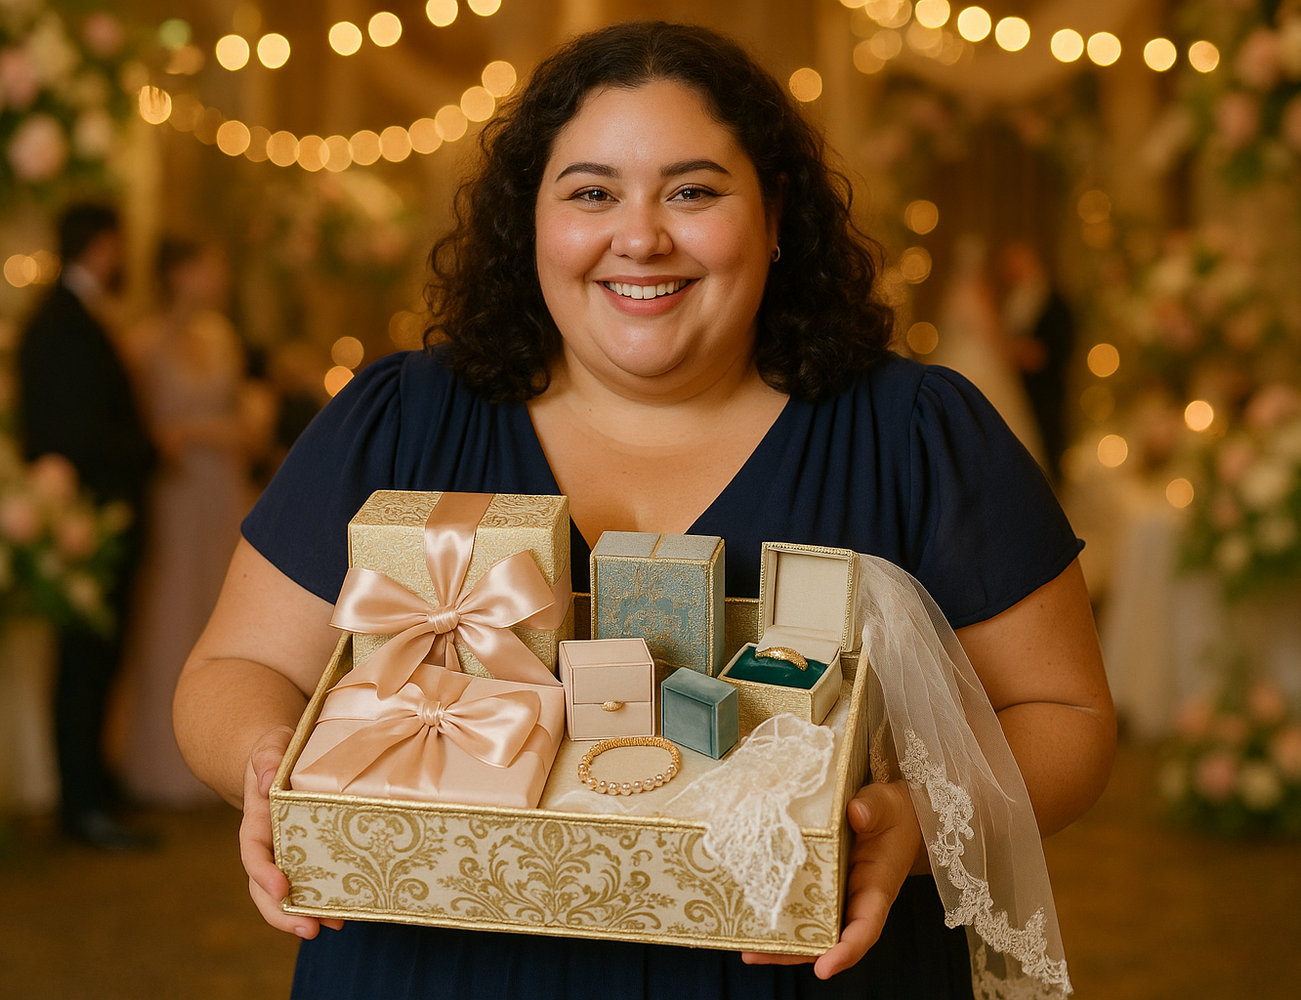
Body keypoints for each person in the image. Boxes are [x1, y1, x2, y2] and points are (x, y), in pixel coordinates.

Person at [174, 22, 1115, 999]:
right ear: (528, 219)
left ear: (777, 210)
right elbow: (230, 669)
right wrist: (273, 767)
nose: (640, 236)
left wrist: (918, 821)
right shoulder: (395, 418)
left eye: (693, 190)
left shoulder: (919, 434)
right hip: (429, 963)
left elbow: (1067, 715)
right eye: (591, 192)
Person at [17, 202, 158, 850]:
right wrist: (149, 448)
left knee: (96, 658)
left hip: (94, 513)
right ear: (104, 246)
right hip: (89, 518)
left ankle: (92, 784)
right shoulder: (64, 323)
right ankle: (82, 802)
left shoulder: (70, 317)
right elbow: (74, 432)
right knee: (85, 660)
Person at [117, 239, 260, 806]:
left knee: (221, 608)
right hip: (174, 494)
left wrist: (196, 433)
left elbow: (246, 428)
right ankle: (159, 762)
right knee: (169, 610)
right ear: (179, 274)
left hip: (220, 489)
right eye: (209, 263)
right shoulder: (142, 343)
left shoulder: (222, 337)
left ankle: (221, 754)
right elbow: (146, 434)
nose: (218, 273)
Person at [929, 234, 1048, 469]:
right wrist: (1012, 352)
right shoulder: (974, 295)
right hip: (980, 366)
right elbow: (991, 333)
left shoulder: (952, 294)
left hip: (953, 361)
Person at [1000, 241, 1076, 483]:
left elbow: (1062, 342)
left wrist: (1039, 355)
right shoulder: (1010, 298)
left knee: (1048, 442)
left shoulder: (1056, 301)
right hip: (1017, 387)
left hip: (1047, 388)